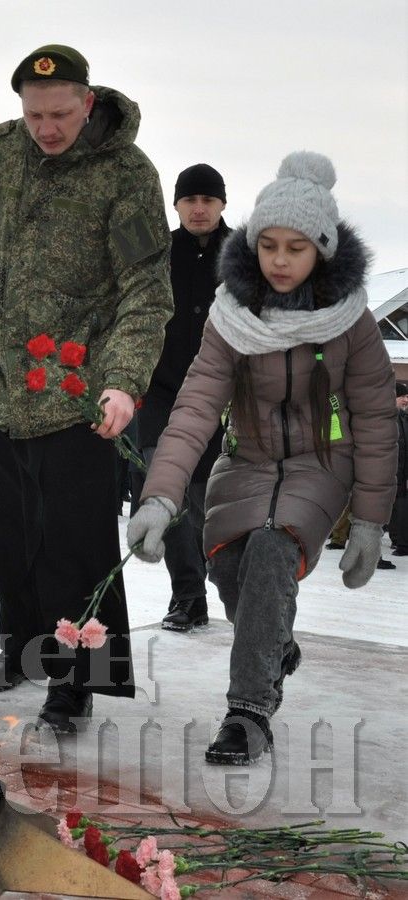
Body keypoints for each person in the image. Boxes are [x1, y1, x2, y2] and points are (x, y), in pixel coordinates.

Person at [128, 152, 398, 764]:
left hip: (320, 464)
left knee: (274, 548)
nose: (279, 260)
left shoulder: (350, 321)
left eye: (296, 247)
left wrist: (370, 520)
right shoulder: (231, 317)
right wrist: (161, 495)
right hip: (245, 461)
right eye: (269, 244)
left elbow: (377, 419)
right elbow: (195, 406)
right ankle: (271, 641)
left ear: (322, 250)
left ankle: (248, 712)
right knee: (229, 568)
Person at [0, 44, 172, 732]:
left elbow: (144, 291)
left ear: (87, 102)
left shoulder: (126, 173)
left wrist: (123, 383)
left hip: (78, 389)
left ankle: (73, 682)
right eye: (34, 113)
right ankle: (21, 650)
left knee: (72, 544)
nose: (46, 127)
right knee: (8, 536)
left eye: (59, 114)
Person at [134, 163, 233, 632]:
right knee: (163, 489)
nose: (198, 208)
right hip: (161, 391)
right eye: (190, 200)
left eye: (207, 200)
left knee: (207, 497)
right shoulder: (157, 252)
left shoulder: (243, 254)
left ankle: (232, 589)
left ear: (222, 205)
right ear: (176, 205)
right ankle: (188, 597)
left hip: (221, 396)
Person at [390, 382, 408, 555]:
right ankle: (398, 540)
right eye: (402, 396)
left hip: (401, 474)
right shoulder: (384, 419)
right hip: (387, 474)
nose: (406, 400)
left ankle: (401, 543)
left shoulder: (403, 418)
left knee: (401, 508)